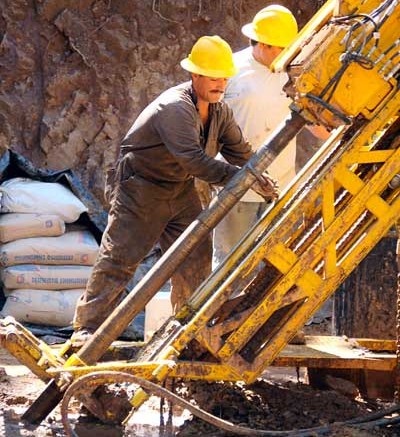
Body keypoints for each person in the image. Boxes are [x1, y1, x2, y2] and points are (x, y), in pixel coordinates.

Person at [71, 35, 279, 344]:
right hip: (140, 188)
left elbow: (241, 151)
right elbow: (195, 161)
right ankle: (87, 329)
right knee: (121, 257)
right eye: (212, 77)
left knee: (194, 255)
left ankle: (187, 328)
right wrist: (242, 177)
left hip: (180, 188)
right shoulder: (175, 108)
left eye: (224, 78)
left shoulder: (220, 112)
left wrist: (260, 176)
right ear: (195, 75)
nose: (220, 84)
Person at [213, 5, 328, 267]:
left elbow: (313, 122)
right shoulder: (230, 69)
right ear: (263, 44)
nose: (289, 53)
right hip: (236, 186)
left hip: (280, 188)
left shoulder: (294, 73)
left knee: (276, 266)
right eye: (282, 47)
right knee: (228, 265)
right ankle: (226, 309)